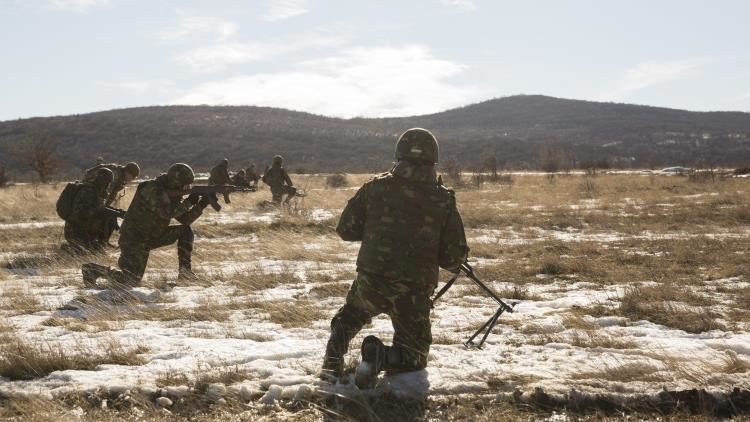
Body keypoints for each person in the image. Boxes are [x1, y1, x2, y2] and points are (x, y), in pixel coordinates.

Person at [320, 128, 469, 388]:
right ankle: (381, 358)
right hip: (413, 291)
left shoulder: (375, 187)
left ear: (399, 153)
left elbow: (346, 230)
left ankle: (332, 363)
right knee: (415, 356)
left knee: (350, 316)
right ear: (433, 158)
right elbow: (452, 258)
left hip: (371, 281)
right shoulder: (442, 199)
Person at [81, 163, 210, 289]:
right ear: (176, 181)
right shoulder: (151, 188)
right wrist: (189, 201)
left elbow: (185, 219)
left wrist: (201, 204)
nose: (186, 188)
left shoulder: (170, 193)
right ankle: (92, 270)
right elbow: (166, 213)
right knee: (130, 280)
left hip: (153, 236)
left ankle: (185, 272)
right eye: (184, 185)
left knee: (185, 231)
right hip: (134, 239)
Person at [63, 168, 124, 253]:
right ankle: (72, 246)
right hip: (75, 230)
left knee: (110, 216)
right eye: (107, 182)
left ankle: (101, 242)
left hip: (84, 227)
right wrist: (101, 212)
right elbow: (80, 213)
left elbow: (101, 208)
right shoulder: (88, 191)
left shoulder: (98, 190)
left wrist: (119, 212)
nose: (108, 185)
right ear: (101, 180)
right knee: (85, 251)